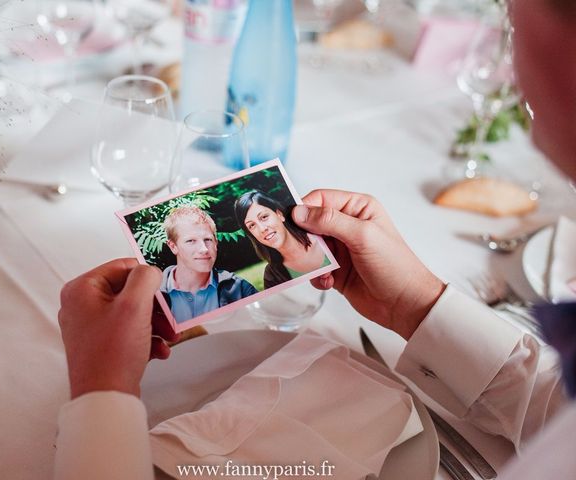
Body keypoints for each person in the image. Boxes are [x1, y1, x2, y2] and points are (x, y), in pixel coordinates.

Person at [54, 1, 576, 479]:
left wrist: (101, 394)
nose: (506, 23)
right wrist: (414, 304)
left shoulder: (237, 284)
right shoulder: (252, 279)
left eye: (514, 7)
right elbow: (559, 411)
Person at [160, 206, 258, 323]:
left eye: (207, 239)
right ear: (173, 246)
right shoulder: (154, 296)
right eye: (191, 241)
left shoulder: (240, 288)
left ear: (216, 242)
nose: (204, 249)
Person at [234, 190, 330, 288]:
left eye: (264, 217)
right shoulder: (272, 276)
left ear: (279, 214)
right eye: (252, 225)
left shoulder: (324, 240)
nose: (262, 229)